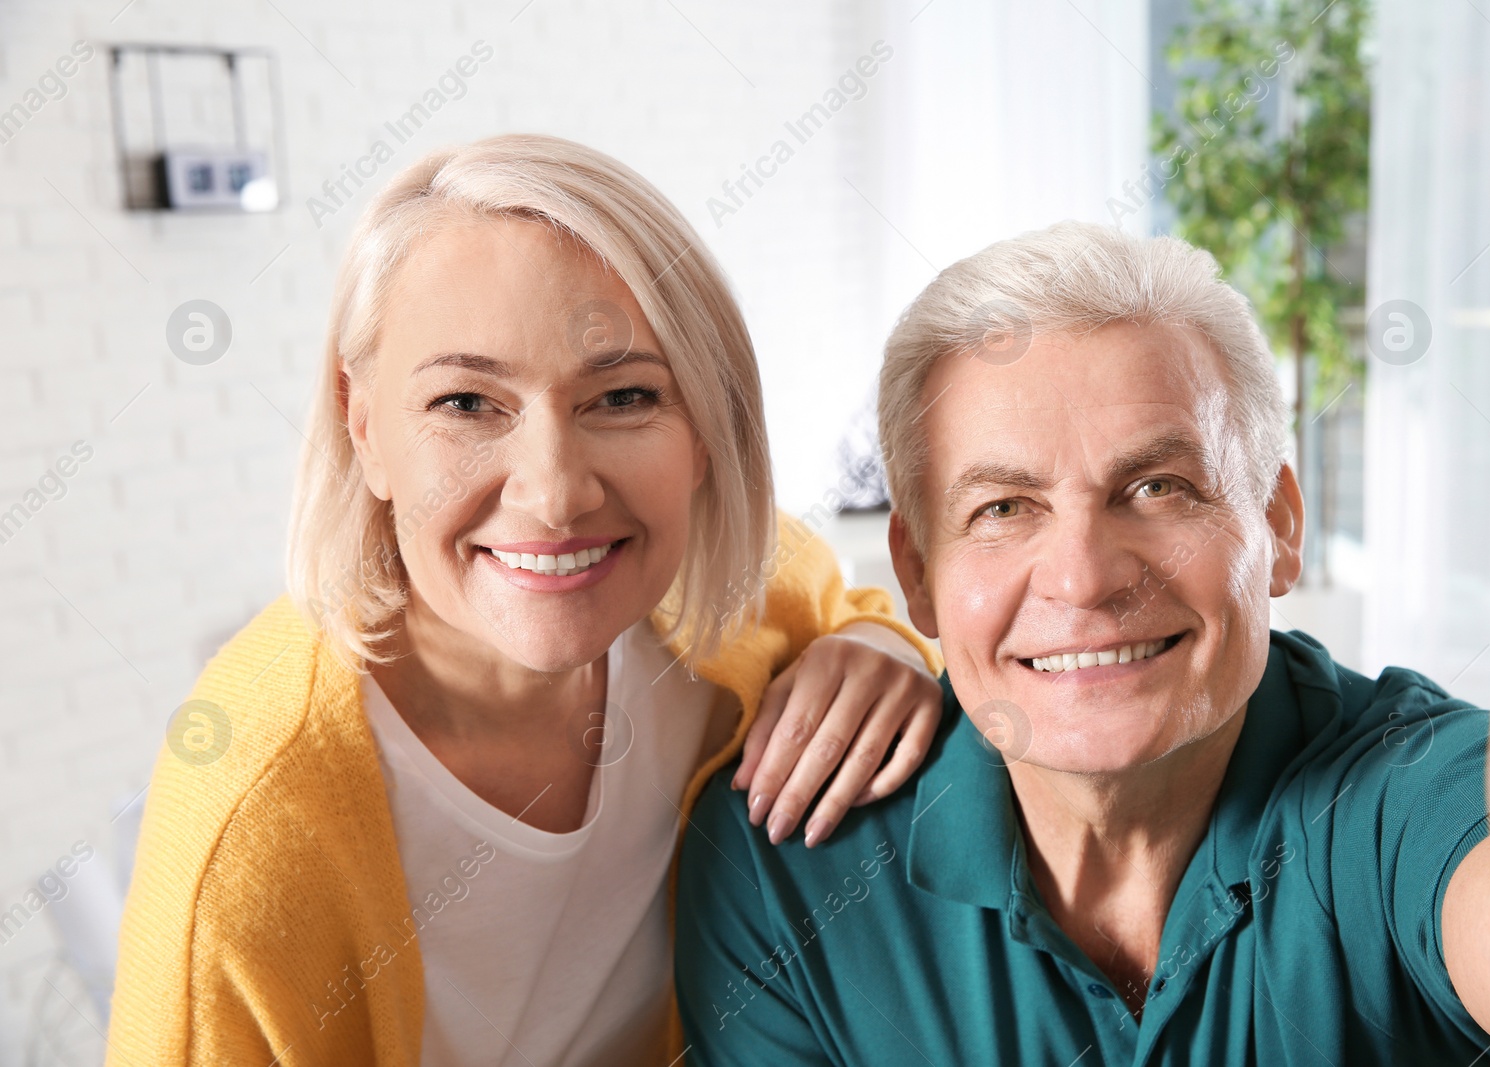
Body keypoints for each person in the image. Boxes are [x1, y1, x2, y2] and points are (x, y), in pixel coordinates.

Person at [676, 220, 1490, 1065]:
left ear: (1278, 524)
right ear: (915, 572)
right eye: (1004, 509)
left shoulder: (1399, 794)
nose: (1082, 578)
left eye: (1158, 489)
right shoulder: (789, 860)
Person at [107, 134, 943, 1065]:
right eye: (466, 403)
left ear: (706, 430)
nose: (553, 494)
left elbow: (846, 608)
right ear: (364, 426)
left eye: (624, 396)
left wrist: (887, 650)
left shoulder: (735, 590)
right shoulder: (257, 820)